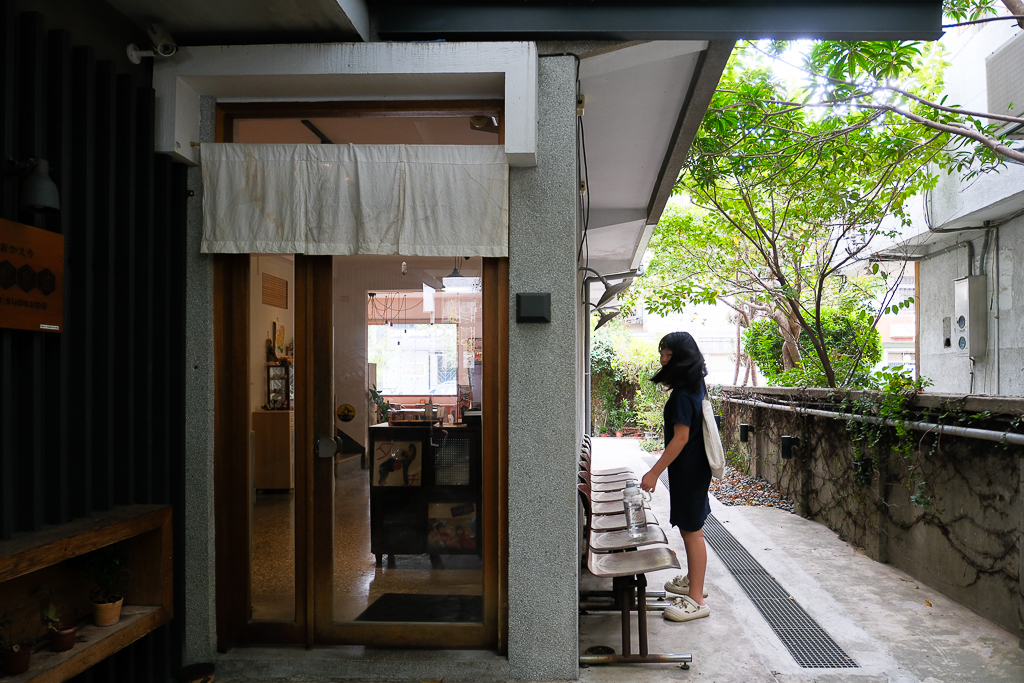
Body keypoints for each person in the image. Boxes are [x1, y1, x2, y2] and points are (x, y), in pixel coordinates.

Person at [639, 331, 712, 622]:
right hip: (696, 467)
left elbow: (680, 438)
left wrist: (654, 472)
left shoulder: (683, 394)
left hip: (689, 470)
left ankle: (696, 599)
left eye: (668, 355)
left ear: (681, 359)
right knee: (692, 528)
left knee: (692, 532)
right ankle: (694, 581)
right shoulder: (695, 385)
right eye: (662, 354)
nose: (662, 360)